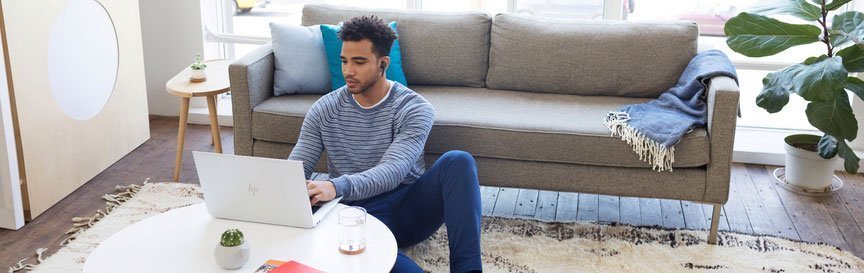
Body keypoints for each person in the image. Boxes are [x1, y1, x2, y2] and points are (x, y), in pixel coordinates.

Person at [287, 15, 483, 273]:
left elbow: (393, 171)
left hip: (408, 207)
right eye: (344, 61)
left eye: (359, 62)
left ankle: (468, 270)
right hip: (353, 214)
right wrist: (284, 188)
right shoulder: (324, 109)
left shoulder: (415, 108)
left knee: (458, 161)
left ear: (383, 64)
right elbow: (296, 167)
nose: (348, 71)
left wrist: (335, 186)